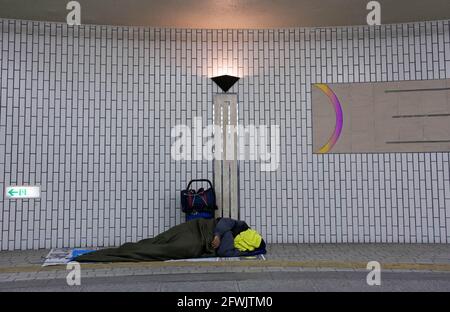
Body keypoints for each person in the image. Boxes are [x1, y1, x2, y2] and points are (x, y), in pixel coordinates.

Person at [74, 217, 265, 263]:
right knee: (158, 245)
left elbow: (224, 228)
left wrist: (218, 236)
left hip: (194, 234)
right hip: (195, 234)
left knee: (158, 246)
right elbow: (224, 226)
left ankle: (121, 250)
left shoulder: (234, 235)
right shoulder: (237, 230)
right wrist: (217, 235)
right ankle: (120, 250)